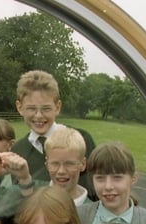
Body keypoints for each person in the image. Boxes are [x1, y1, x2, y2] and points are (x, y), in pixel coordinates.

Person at [11, 70, 97, 198]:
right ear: (19, 107)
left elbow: (95, 189)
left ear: (57, 107)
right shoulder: (18, 151)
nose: (38, 116)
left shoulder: (82, 139)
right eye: (31, 108)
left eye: (46, 108)